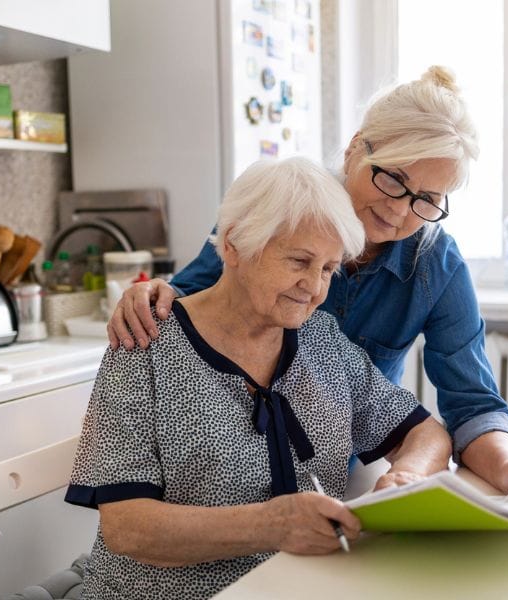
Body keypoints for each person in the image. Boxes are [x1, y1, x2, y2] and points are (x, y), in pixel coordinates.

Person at [106, 66, 508, 495]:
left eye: (426, 199)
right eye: (393, 178)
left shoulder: (437, 266)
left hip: (340, 475)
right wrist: (151, 294)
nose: (397, 209)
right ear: (356, 147)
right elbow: (190, 302)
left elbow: (472, 403)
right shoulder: (278, 209)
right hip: (225, 478)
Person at [66, 157, 452, 599]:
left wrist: (409, 477)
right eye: (299, 261)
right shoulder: (146, 343)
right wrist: (272, 525)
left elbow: (426, 433)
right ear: (233, 245)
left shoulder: (320, 340)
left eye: (328, 269)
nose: (314, 287)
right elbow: (128, 528)